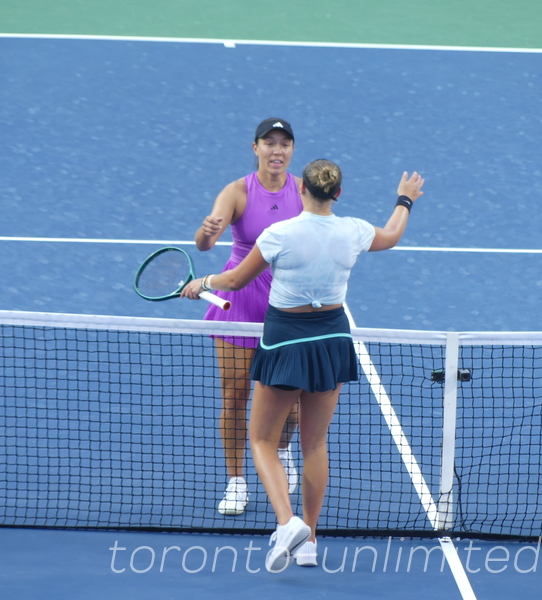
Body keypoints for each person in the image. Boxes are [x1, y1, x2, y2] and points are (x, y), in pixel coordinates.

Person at [182, 159, 425, 572]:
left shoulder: (280, 234)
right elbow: (393, 235)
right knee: (314, 444)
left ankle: (286, 522)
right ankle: (309, 540)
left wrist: (202, 283)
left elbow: (237, 280)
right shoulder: (355, 230)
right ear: (338, 194)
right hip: (331, 341)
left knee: (261, 440)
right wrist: (405, 199)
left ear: (301, 192)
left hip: (286, 341)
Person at [194, 118, 304, 516]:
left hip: (286, 307)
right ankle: (237, 481)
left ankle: (281, 450)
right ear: (255, 148)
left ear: (292, 150)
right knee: (235, 396)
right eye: (269, 143)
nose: (277, 150)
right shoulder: (237, 191)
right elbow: (206, 243)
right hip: (239, 304)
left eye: (284, 143)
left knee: (292, 404)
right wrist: (206, 232)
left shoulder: (303, 191)